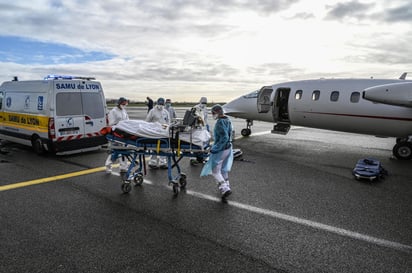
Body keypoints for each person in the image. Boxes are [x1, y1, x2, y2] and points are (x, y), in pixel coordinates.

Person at [200, 104, 233, 202]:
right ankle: (227, 185)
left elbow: (224, 137)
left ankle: (225, 188)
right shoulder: (228, 120)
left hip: (222, 149)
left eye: (213, 113)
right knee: (223, 169)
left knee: (215, 171)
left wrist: (216, 148)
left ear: (218, 112)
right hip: (228, 148)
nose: (213, 115)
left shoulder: (220, 122)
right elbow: (229, 136)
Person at [105, 97, 129, 174]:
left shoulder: (124, 111)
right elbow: (111, 123)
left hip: (123, 133)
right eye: (123, 104)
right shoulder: (113, 111)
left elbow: (127, 120)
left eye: (125, 104)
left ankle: (123, 167)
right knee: (115, 151)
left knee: (124, 151)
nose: (124, 105)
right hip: (116, 133)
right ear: (119, 103)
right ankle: (108, 166)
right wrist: (120, 124)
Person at [146, 97, 171, 168]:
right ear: (157, 103)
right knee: (154, 148)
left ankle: (162, 163)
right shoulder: (152, 111)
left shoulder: (166, 112)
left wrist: (167, 128)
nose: (161, 105)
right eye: (160, 104)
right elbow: (147, 121)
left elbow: (168, 122)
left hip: (163, 133)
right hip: (154, 133)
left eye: (162, 104)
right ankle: (152, 162)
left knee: (163, 148)